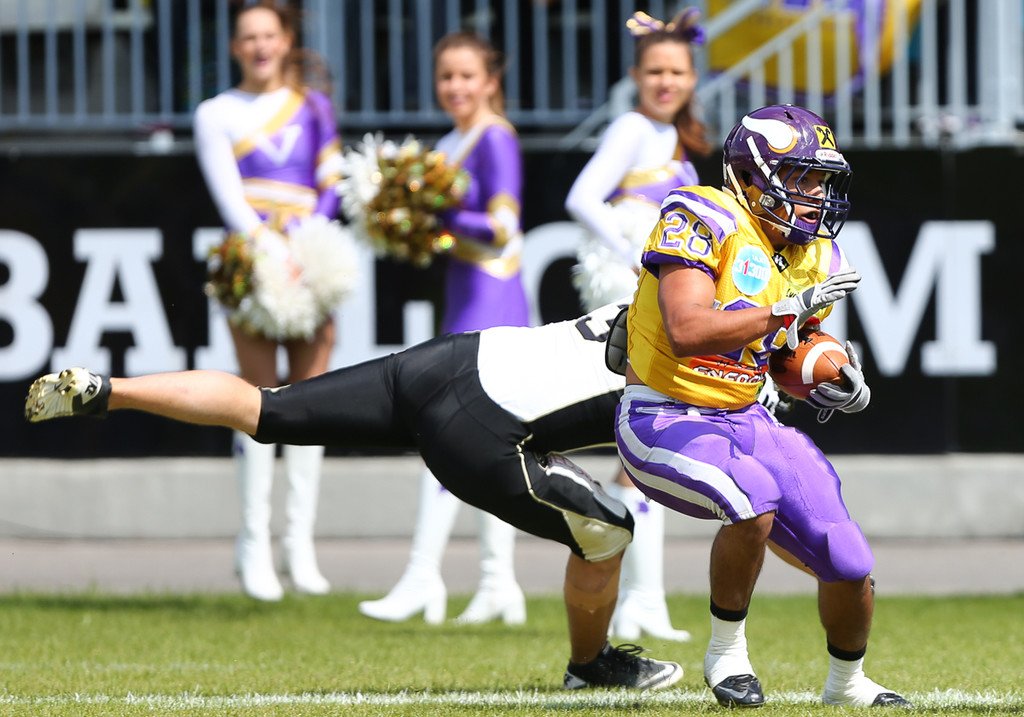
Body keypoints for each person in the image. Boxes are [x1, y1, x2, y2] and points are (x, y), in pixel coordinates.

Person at [25, 302, 682, 692]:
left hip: (452, 360)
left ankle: (110, 391)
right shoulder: (702, 346)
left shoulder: (668, 288)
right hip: (481, 424)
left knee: (267, 407)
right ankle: (589, 665)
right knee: (610, 530)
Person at [614, 104, 910, 708]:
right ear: (751, 177)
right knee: (751, 496)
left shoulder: (815, 256)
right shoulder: (702, 216)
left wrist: (828, 373)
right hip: (661, 412)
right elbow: (687, 329)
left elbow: (780, 354)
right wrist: (784, 311)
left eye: (822, 180)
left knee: (847, 556)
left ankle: (847, 683)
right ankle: (727, 653)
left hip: (744, 415)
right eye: (802, 177)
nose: (816, 193)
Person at [358, 31, 531, 626]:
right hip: (465, 294)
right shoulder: (450, 143)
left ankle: (424, 577)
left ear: (490, 81)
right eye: (446, 76)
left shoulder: (495, 137)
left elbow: (503, 227)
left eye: (466, 75)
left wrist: (436, 214)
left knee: (444, 434)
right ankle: (497, 584)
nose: (455, 86)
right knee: (489, 441)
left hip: (492, 297)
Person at [563, 8, 710, 643]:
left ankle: (643, 600)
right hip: (636, 301)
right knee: (643, 443)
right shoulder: (631, 127)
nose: (666, 82)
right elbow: (581, 197)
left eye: (676, 71)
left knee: (647, 446)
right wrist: (631, 254)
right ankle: (637, 601)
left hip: (657, 302)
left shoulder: (676, 137)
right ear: (635, 76)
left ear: (692, 78)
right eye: (654, 71)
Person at [192, 2, 344, 601]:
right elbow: (228, 195)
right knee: (255, 399)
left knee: (313, 401)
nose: (259, 46)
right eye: (248, 37)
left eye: (268, 35)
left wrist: (308, 247)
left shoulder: (315, 106)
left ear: (286, 40)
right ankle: (253, 540)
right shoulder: (216, 113)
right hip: (252, 263)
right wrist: (269, 249)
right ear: (235, 47)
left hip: (310, 260)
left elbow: (331, 185)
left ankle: (298, 544)